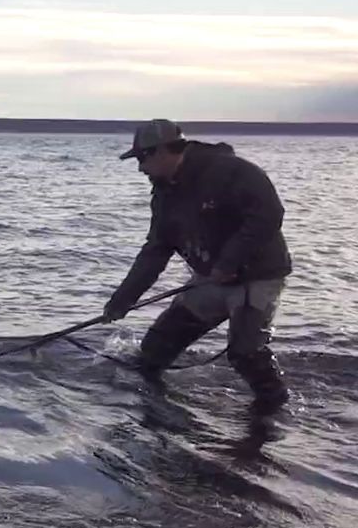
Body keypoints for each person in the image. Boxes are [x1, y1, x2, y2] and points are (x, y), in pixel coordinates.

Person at [104, 119, 292, 413]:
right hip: (210, 280)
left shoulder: (233, 171)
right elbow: (156, 251)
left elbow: (268, 214)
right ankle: (154, 414)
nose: (141, 168)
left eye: (143, 158)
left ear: (164, 151)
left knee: (245, 354)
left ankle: (274, 412)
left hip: (257, 278)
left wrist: (230, 261)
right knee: (154, 350)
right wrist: (121, 301)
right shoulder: (164, 194)